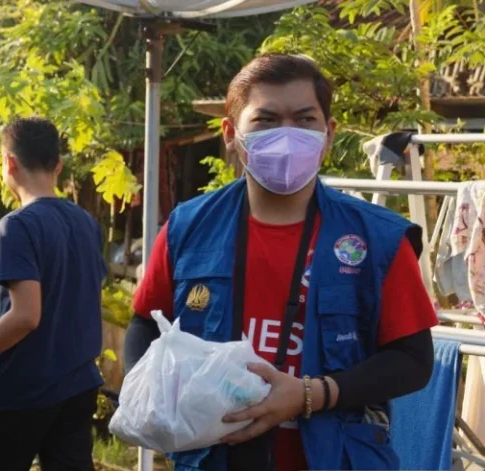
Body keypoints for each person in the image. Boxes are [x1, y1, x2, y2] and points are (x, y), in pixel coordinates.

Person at [124, 54, 438, 471]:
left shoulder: (376, 240)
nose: (286, 135)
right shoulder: (188, 227)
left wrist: (311, 394)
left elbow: (413, 361)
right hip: (212, 458)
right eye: (266, 120)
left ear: (328, 134)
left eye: (305, 120)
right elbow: (145, 322)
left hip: (335, 460)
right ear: (231, 134)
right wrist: (154, 399)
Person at [0, 116, 107, 471]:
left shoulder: (17, 225)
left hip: (25, 388)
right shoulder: (86, 222)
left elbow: (26, 316)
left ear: (9, 163)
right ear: (57, 165)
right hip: (78, 384)